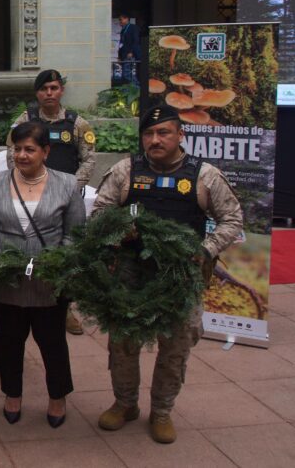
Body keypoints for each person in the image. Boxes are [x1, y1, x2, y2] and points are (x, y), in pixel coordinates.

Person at [93, 104, 243, 444]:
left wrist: (204, 249)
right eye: (149, 133)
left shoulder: (203, 176)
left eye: (164, 133)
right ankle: (125, 403)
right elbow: (100, 212)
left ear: (180, 135)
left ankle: (162, 411)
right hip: (131, 274)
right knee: (123, 343)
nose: (155, 140)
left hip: (181, 275)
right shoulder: (125, 171)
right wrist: (119, 231)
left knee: (175, 346)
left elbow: (232, 220)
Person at [0, 122, 85, 430]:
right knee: (10, 342)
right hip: (7, 282)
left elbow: (75, 233)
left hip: (49, 284)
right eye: (16, 149)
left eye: (29, 149)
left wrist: (56, 261)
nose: (21, 155)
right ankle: (12, 394)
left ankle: (57, 397)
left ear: (45, 152)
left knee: (52, 342)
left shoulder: (66, 184)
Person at [9, 69, 96, 335]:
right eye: (44, 88)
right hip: (31, 198)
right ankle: (25, 299)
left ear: (61, 91)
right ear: (37, 93)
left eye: (54, 88)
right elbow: (14, 154)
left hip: (67, 200)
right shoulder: (25, 120)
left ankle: (65, 306)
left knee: (65, 252)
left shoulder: (77, 123)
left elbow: (89, 159)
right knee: (31, 248)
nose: (49, 93)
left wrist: (69, 188)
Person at [117, 14, 141, 84]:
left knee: (127, 73)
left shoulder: (133, 27)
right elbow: (121, 43)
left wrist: (131, 52)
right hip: (124, 54)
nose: (120, 21)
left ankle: (137, 88)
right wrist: (119, 56)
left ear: (126, 19)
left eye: (121, 19)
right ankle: (132, 89)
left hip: (131, 54)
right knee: (126, 73)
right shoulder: (123, 29)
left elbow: (136, 40)